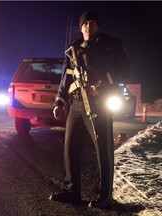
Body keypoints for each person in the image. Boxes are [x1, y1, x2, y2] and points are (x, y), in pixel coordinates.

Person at [49, 11, 131, 209]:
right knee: (70, 148)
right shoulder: (73, 49)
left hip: (100, 103)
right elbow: (65, 78)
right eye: (85, 24)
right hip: (76, 104)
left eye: (92, 23)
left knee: (104, 151)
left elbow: (125, 70)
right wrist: (59, 101)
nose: (88, 26)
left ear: (98, 26)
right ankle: (72, 192)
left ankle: (105, 197)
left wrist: (102, 82)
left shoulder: (111, 44)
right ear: (81, 27)